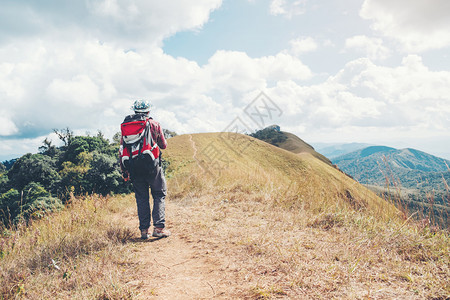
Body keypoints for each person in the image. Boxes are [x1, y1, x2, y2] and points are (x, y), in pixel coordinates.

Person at [119, 99, 171, 239]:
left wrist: (124, 171)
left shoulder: (126, 126)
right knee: (159, 194)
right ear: (148, 111)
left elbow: (122, 149)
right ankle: (159, 229)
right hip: (152, 166)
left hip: (134, 168)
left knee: (141, 198)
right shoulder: (154, 124)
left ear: (134, 110)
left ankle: (144, 231)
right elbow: (164, 145)